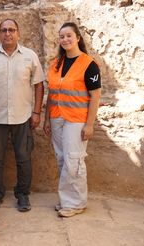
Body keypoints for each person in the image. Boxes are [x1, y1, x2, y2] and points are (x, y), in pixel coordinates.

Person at [0, 19, 44, 212]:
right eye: (4, 30)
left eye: (12, 30)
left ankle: (22, 194)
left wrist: (37, 112)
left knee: (23, 158)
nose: (8, 33)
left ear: (18, 33)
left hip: (23, 116)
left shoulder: (29, 56)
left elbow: (39, 85)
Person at [43, 22, 101, 218]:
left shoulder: (89, 64)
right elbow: (52, 93)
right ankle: (67, 200)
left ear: (78, 38)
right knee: (61, 159)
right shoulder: (56, 64)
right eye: (62, 37)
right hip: (57, 118)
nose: (65, 39)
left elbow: (95, 96)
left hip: (76, 120)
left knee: (73, 160)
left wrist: (90, 124)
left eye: (69, 35)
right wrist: (47, 119)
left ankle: (76, 203)